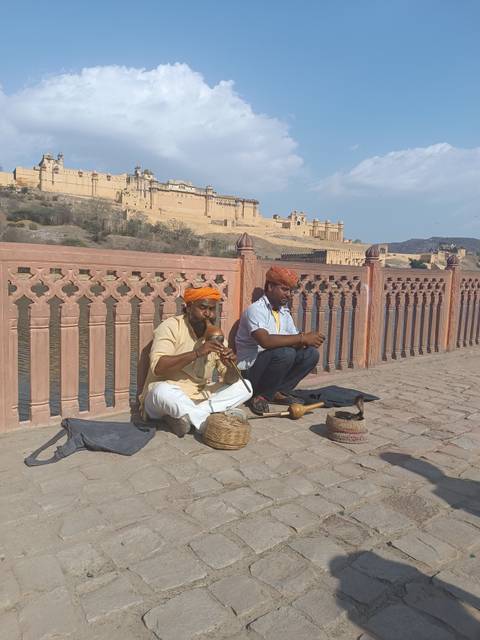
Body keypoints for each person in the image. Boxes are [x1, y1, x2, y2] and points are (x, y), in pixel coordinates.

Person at [140, 286, 252, 437]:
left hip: (198, 396)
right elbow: (159, 367)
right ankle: (209, 423)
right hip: (166, 395)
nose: (209, 314)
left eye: (212, 309)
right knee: (161, 392)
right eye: (203, 308)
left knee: (246, 387)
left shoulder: (215, 336)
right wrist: (197, 353)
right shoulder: (171, 327)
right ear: (188, 307)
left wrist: (231, 365)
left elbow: (230, 379)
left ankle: (186, 417)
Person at [235, 265, 324, 415]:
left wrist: (305, 342)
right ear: (270, 287)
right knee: (285, 353)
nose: (289, 294)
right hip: (251, 370)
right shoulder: (256, 310)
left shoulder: (284, 313)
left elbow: (292, 339)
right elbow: (265, 341)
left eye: (290, 291)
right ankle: (261, 396)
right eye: (284, 289)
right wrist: (302, 337)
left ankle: (277, 392)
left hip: (272, 366)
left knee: (310, 354)